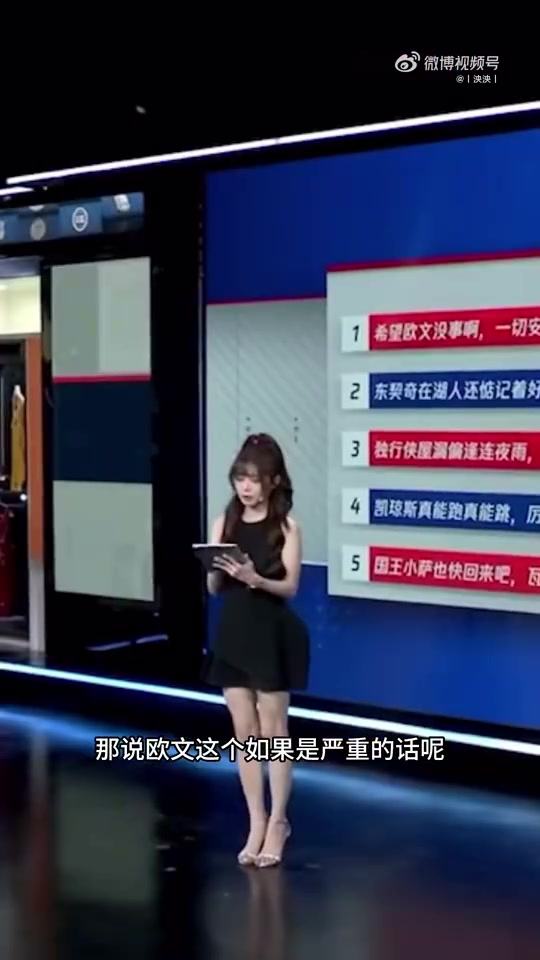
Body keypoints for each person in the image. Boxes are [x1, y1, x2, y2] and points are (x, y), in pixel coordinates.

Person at [204, 433, 310, 867]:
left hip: (271, 633)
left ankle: (279, 822)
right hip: (233, 633)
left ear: (273, 481)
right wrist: (215, 571)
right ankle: (256, 821)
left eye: (254, 478)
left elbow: (290, 587)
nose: (245, 487)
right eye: (239, 478)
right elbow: (214, 589)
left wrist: (255, 578)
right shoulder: (223, 522)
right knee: (243, 731)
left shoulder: (287, 528)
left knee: (274, 732)